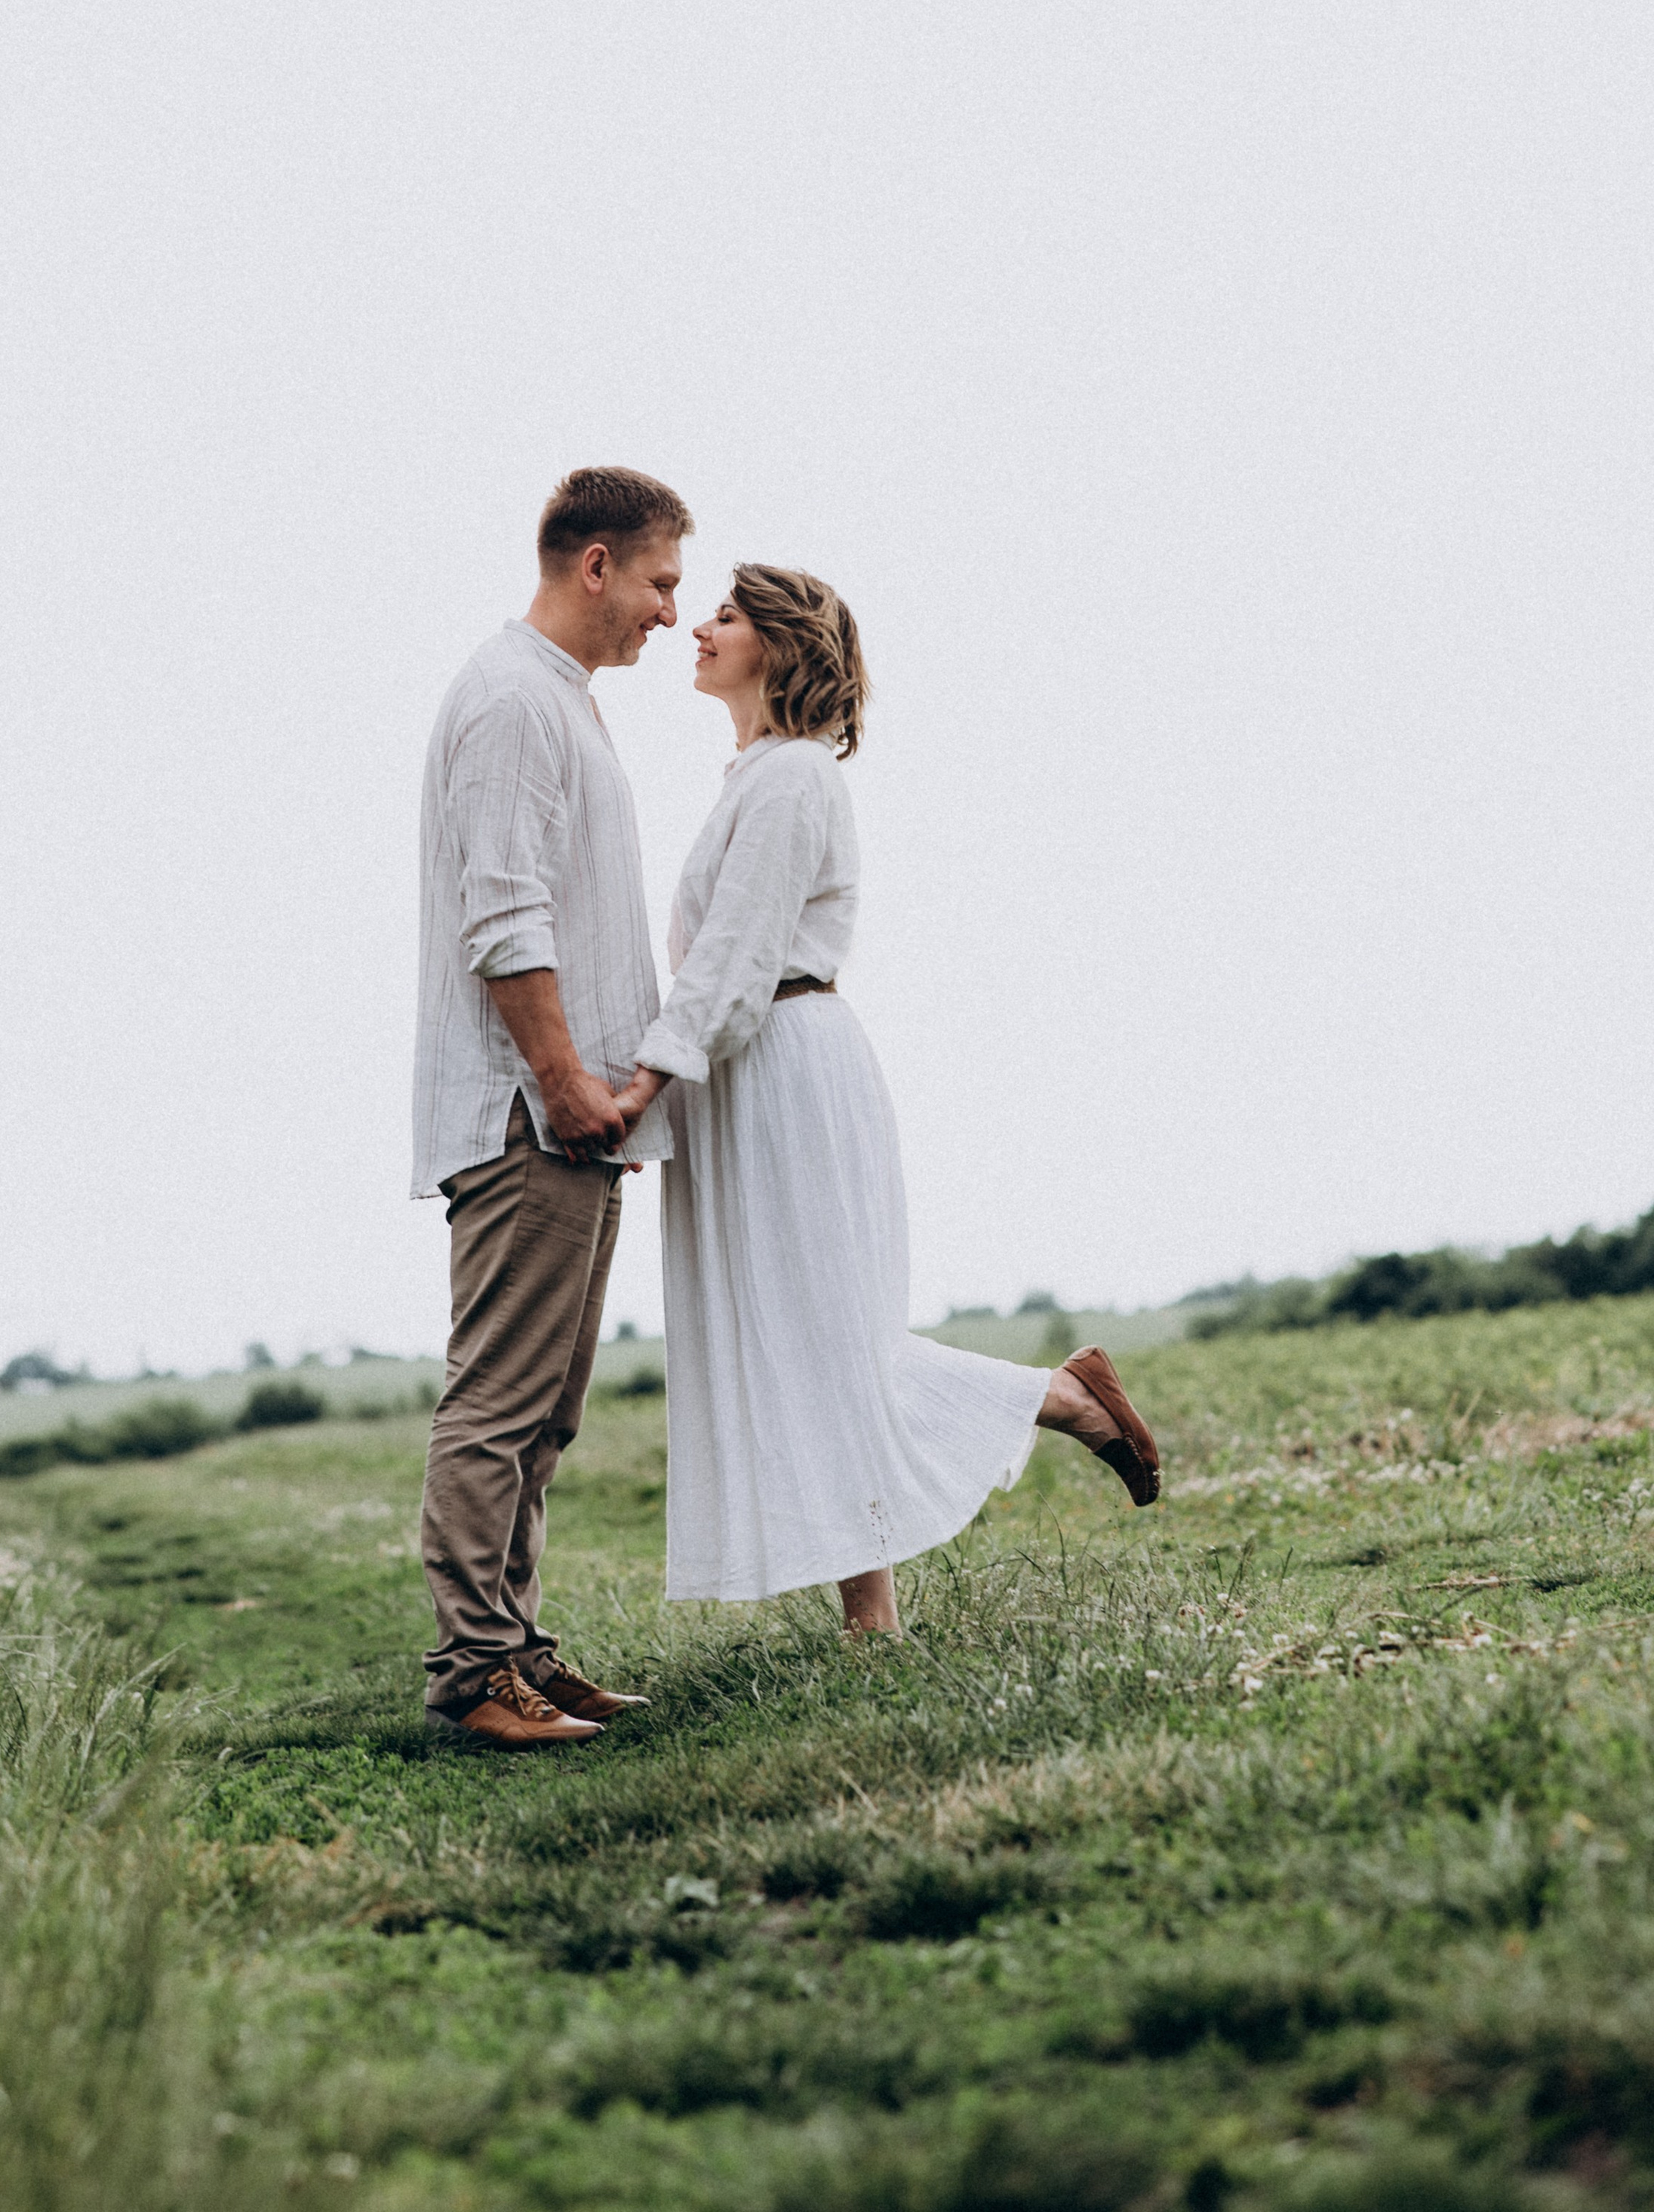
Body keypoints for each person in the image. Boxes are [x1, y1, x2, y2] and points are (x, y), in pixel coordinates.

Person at [610, 565, 1160, 1631]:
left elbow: (735, 959)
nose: (697, 629)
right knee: (792, 1346)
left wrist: (641, 1091)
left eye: (725, 615)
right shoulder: (757, 777)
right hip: (743, 1069)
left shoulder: (793, 779)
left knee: (827, 1341)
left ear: (781, 643)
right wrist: (668, 1097)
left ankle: (1063, 1402)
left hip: (782, 1066)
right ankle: (873, 1611)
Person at [412, 465, 693, 1746]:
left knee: (547, 1409)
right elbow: (503, 914)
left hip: (574, 1120)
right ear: (596, 564)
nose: (671, 612)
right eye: (660, 582)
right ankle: (476, 1678)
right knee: (498, 1404)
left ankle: (518, 1647)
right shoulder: (513, 699)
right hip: (530, 1115)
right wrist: (567, 1082)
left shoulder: (559, 698)